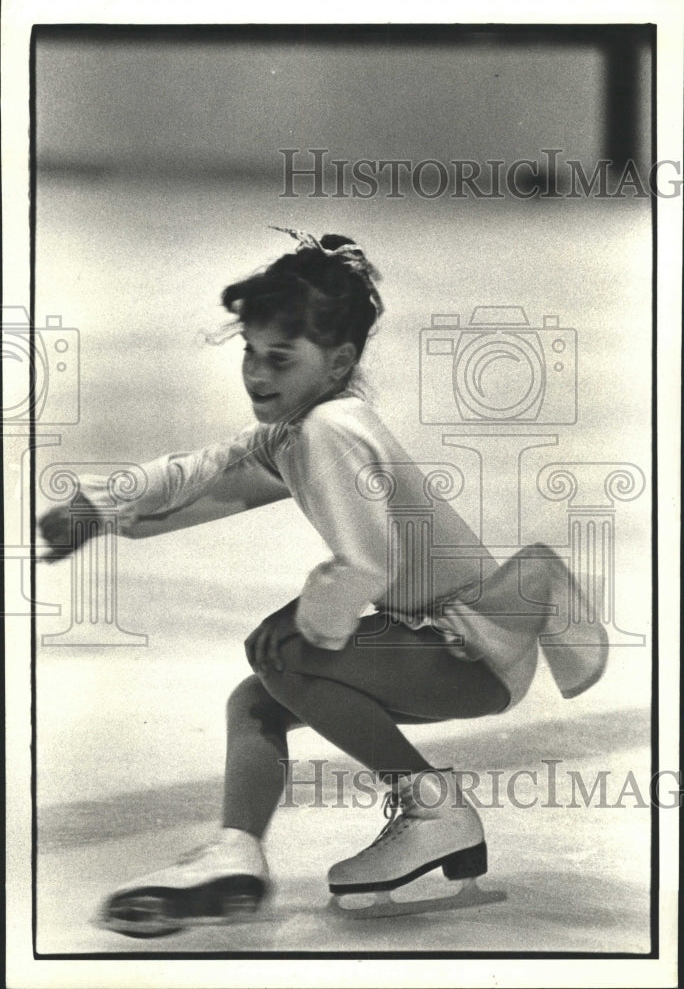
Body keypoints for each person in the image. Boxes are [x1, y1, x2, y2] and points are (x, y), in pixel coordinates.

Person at [39, 228, 608, 937]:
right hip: (446, 643)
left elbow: (366, 559)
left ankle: (433, 807)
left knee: (284, 659)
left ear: (337, 360)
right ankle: (236, 849)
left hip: (467, 650)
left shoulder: (329, 432)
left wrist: (306, 625)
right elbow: (205, 469)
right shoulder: (301, 424)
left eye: (279, 357)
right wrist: (101, 506)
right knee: (257, 698)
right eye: (250, 351)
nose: (256, 372)